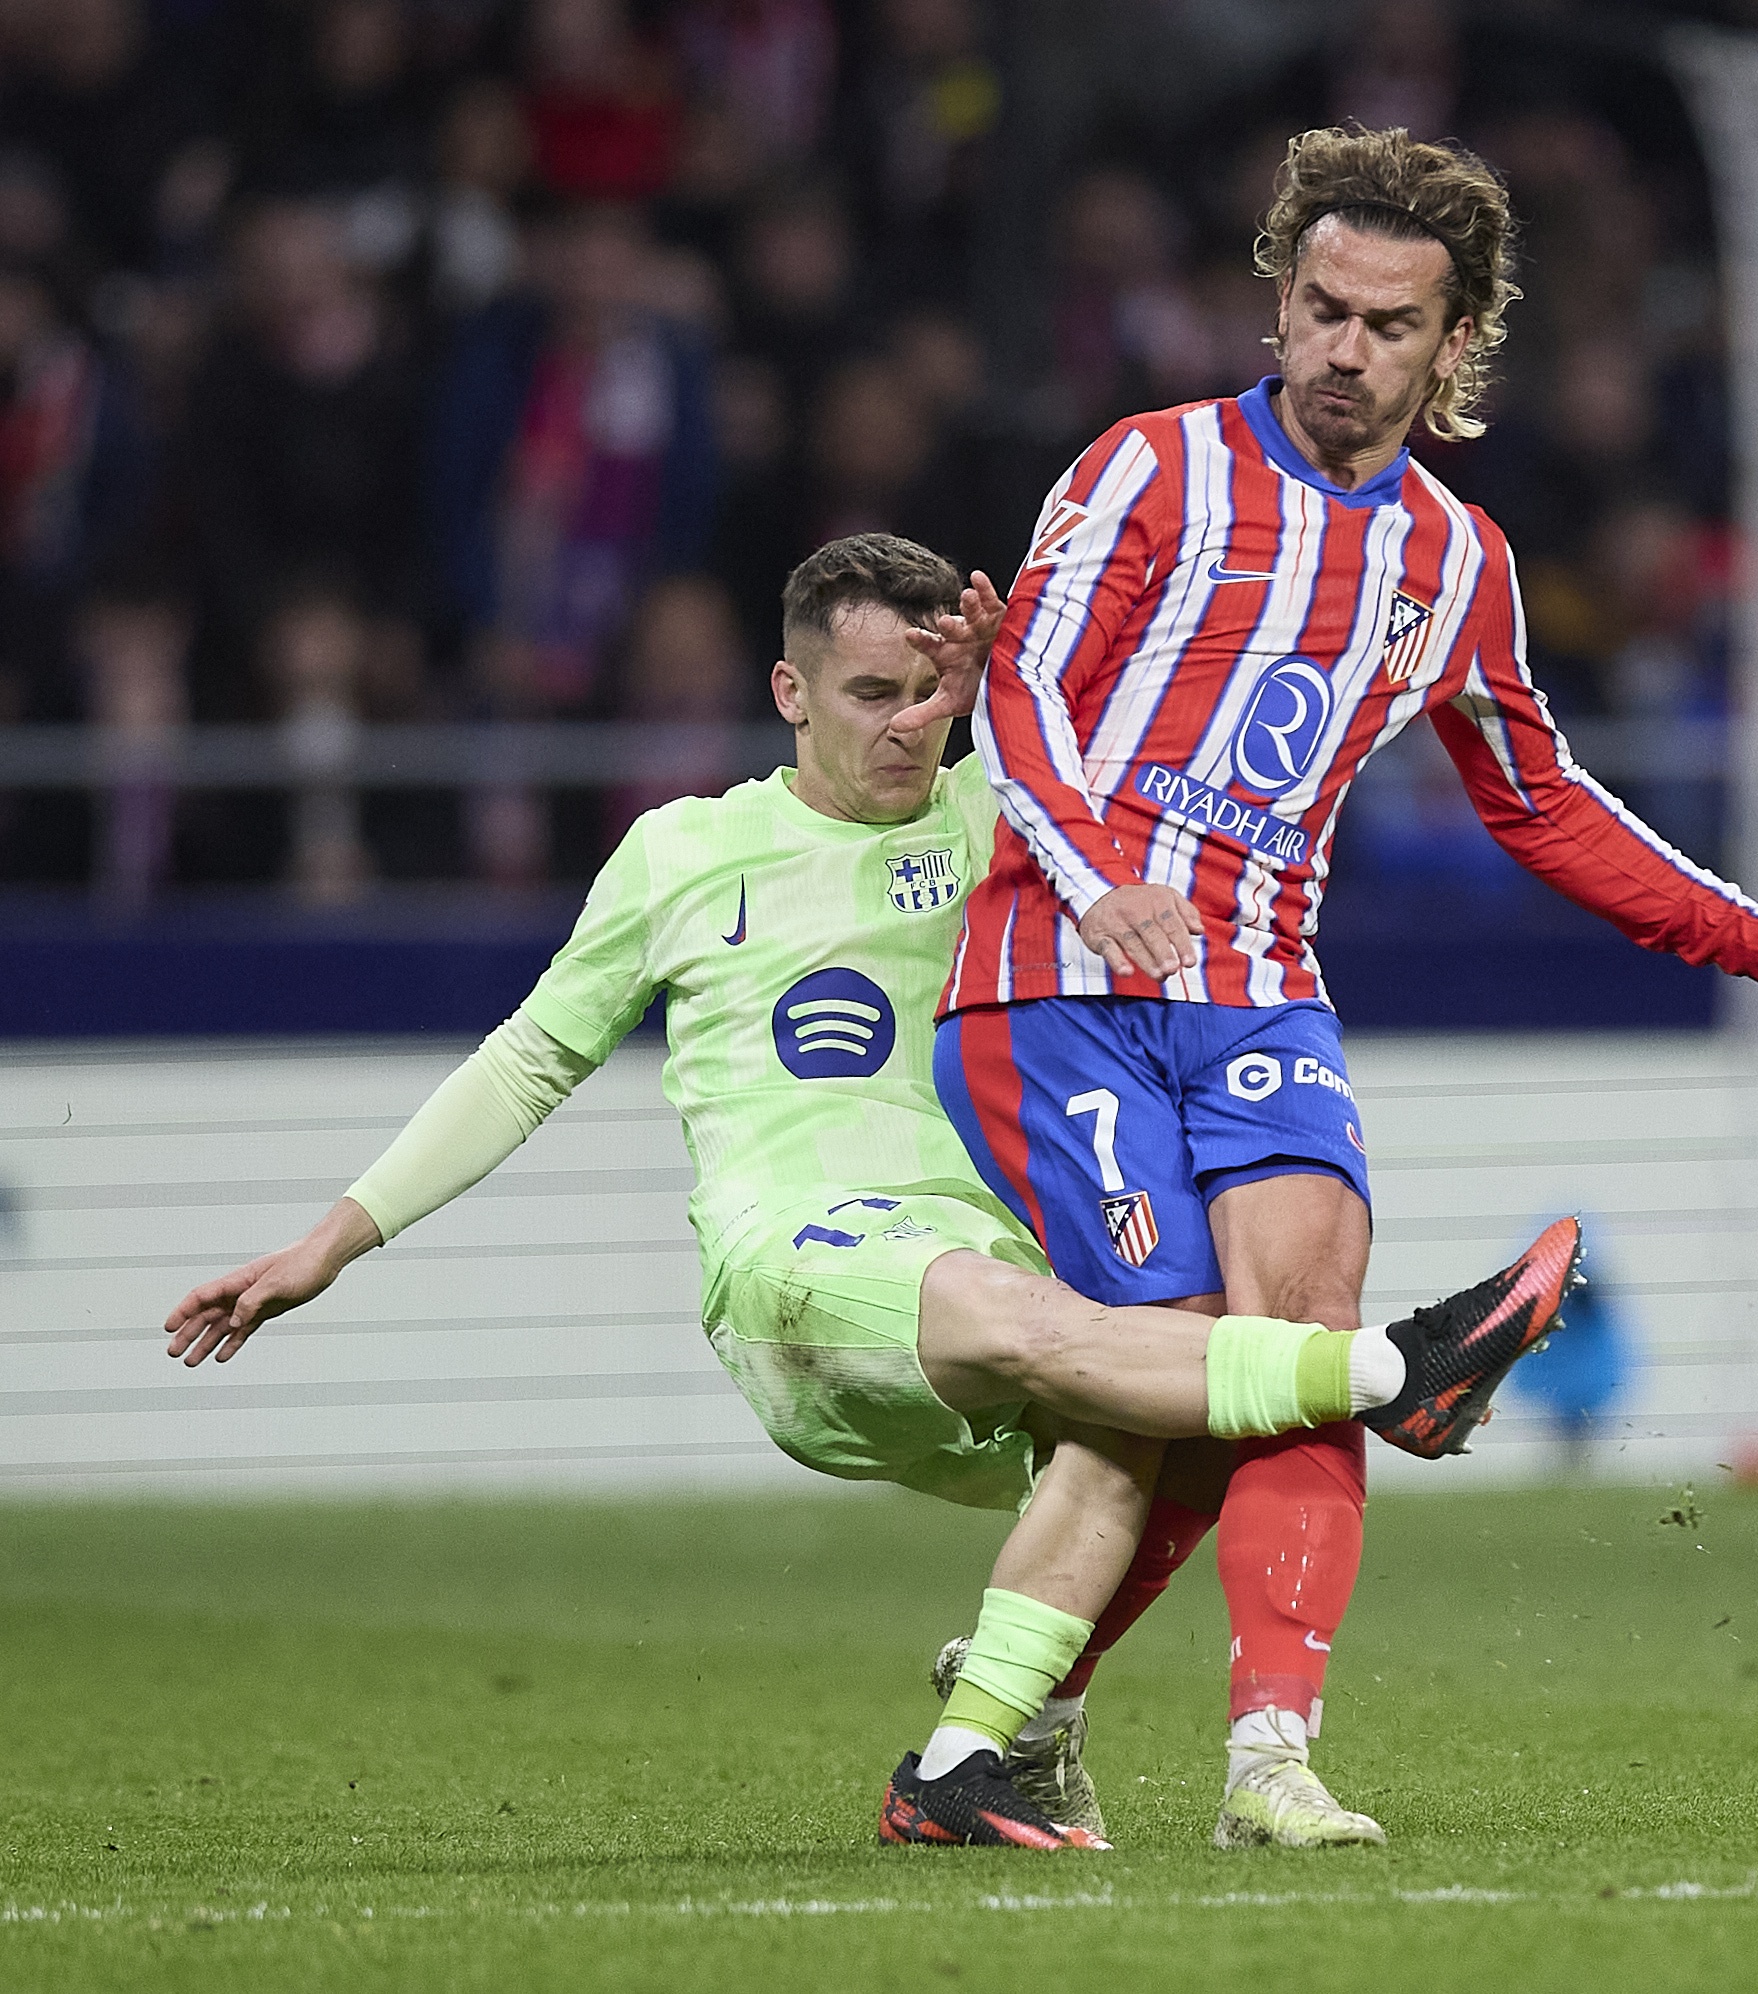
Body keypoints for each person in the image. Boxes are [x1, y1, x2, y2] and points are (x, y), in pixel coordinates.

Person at [160, 532, 1581, 1853]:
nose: (909, 725)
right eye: (871, 694)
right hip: (793, 1265)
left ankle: (972, 1761)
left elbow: (1140, 730)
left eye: (931, 695)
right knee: (1068, 1327)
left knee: (1145, 1410)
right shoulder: (683, 851)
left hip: (970, 1266)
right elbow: (528, 1062)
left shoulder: (1003, 815)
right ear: (790, 692)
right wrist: (330, 1242)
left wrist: (1021, 670)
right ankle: (1396, 1370)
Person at [893, 127, 1758, 1851]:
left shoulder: (1460, 562)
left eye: (1389, 324)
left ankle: (1268, 1763)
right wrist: (1101, 879)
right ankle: (1019, 1705)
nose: (1344, 348)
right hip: (1051, 978)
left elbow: (1541, 800)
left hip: (1259, 986)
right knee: (1197, 1364)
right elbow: (1024, 696)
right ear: (1279, 301)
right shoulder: (1149, 469)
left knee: (1304, 1339)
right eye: (1321, 307)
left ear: (1455, 345)